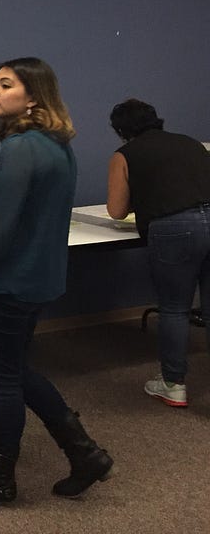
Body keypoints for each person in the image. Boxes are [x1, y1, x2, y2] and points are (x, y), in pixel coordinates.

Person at [0, 57, 113, 504]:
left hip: (8, 282)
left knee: (1, 379)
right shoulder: (56, 144)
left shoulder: (19, 148)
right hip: (38, 279)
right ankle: (85, 453)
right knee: (14, 370)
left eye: (6, 85)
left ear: (33, 96)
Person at [107, 98, 210, 408]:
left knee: (175, 308)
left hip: (174, 228)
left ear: (122, 130)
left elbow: (116, 209)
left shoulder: (125, 154)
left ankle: (173, 384)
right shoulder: (191, 144)